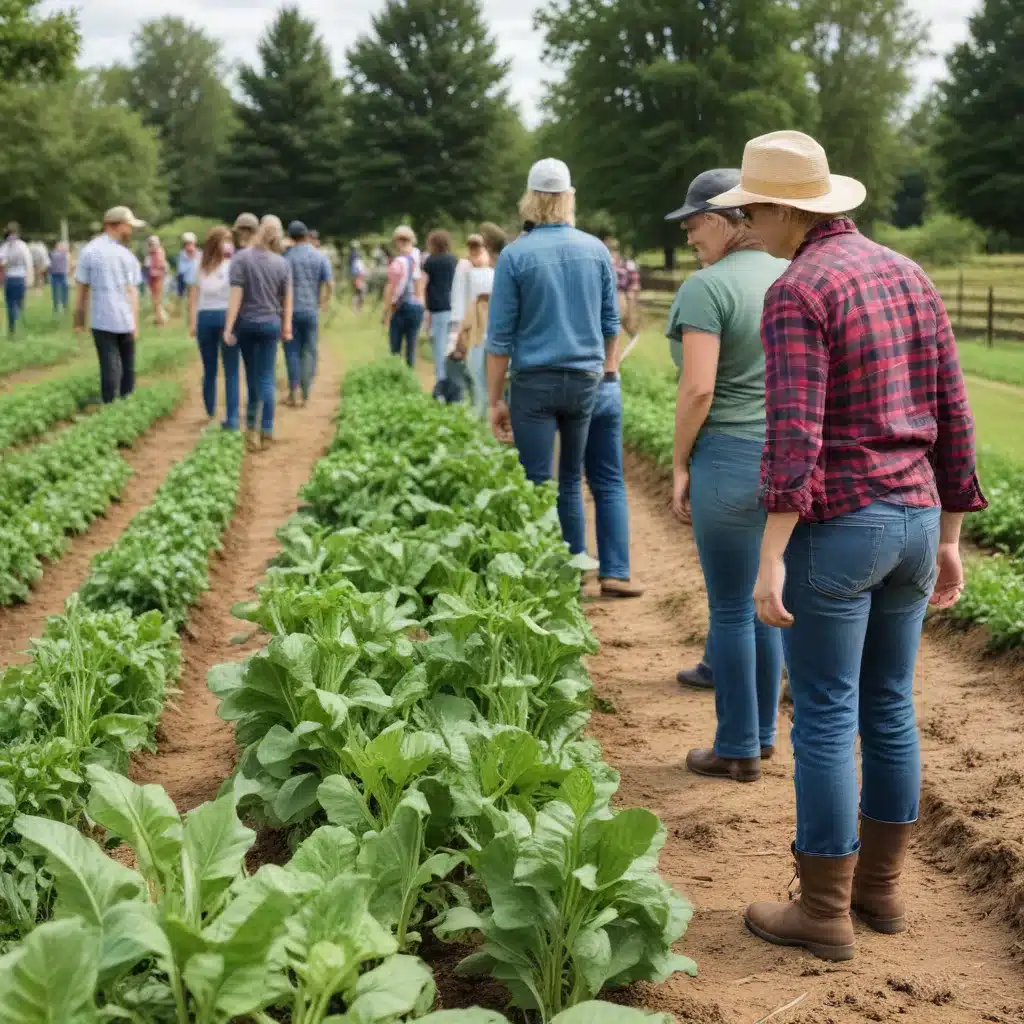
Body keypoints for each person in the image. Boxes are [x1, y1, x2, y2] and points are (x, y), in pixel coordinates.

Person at [704, 130, 987, 960]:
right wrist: (951, 534)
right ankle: (882, 896)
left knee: (825, 716)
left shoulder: (799, 292)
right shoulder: (908, 272)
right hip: (911, 519)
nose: (749, 225)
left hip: (840, 528)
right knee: (891, 706)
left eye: (752, 210)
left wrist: (767, 558)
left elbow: (795, 439)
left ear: (787, 209)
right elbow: (955, 413)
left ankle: (823, 912)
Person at [663, 168, 789, 784]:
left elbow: (698, 389)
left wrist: (680, 461)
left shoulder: (705, 289)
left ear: (721, 218)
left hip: (729, 457)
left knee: (734, 608)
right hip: (790, 459)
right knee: (768, 598)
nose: (688, 237)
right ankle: (763, 736)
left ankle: (736, 746)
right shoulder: (794, 275)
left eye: (692, 224)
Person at [487, 158, 619, 557]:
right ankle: (575, 566)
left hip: (534, 381)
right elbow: (610, 323)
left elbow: (499, 340)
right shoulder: (596, 251)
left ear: (530, 200)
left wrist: (495, 400)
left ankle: (542, 568)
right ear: (568, 199)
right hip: (583, 381)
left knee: (537, 482)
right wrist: (606, 369)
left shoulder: (515, 256)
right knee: (569, 481)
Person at [225, 215, 292, 451]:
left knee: (252, 378)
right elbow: (287, 299)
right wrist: (287, 326)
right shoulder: (282, 263)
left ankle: (251, 431)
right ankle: (267, 429)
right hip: (271, 324)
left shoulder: (241, 259)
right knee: (267, 378)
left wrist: (228, 326)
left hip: (247, 324)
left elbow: (236, 296)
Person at [74, 206, 145, 403]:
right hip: (125, 316)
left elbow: (81, 291)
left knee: (109, 363)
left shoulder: (89, 251)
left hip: (101, 318)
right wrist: (136, 323)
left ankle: (110, 404)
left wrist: (78, 320)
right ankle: (126, 401)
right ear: (116, 225)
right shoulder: (126, 256)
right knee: (127, 365)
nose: (130, 231)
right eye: (128, 226)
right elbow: (133, 292)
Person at [190, 225, 235, 427]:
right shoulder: (229, 265)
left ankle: (220, 413)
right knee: (222, 368)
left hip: (213, 317)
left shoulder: (202, 265)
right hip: (218, 317)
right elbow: (193, 297)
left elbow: (193, 298)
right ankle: (221, 412)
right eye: (226, 240)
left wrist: (193, 321)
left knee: (219, 369)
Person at [284, 220, 333, 406]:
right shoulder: (319, 256)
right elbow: (329, 284)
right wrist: (324, 301)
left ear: (290, 237)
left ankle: (293, 390)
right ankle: (306, 391)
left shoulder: (286, 257)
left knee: (292, 351)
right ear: (306, 235)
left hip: (289, 311)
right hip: (311, 309)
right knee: (309, 351)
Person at [447, 234, 493, 410]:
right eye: (472, 248)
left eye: (478, 247)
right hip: (471, 329)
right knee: (473, 372)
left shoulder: (490, 273)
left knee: (479, 373)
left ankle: (480, 410)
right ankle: (478, 408)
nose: (475, 251)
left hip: (484, 330)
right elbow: (458, 301)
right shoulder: (464, 270)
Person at [383, 225, 425, 367]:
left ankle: (396, 376)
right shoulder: (418, 257)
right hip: (416, 305)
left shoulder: (399, 262)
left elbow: (394, 287)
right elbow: (420, 282)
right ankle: (410, 377)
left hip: (401, 305)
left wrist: (389, 309)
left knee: (395, 347)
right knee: (411, 347)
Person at [423, 231, 458, 391]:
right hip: (454, 307)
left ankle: (441, 382)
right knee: (451, 345)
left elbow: (425, 284)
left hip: (437, 308)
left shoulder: (430, 261)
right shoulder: (453, 260)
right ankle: (453, 381)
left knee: (439, 346)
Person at [0, 224, 34, 336]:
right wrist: (29, 278)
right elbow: (28, 262)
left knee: (12, 305)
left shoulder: (5, 246)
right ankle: (17, 328)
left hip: (11, 278)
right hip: (17, 278)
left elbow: (2, 262)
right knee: (17, 304)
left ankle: (13, 329)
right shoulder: (22, 246)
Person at [144, 235, 168, 326]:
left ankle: (160, 319)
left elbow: (161, 265)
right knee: (155, 299)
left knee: (157, 299)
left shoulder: (159, 252)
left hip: (158, 276)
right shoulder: (150, 253)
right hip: (152, 276)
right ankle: (159, 318)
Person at [175, 232, 200, 315]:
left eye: (190, 243)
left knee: (196, 303)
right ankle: (191, 322)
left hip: (199, 282)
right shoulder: (182, 255)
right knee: (190, 303)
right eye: (186, 243)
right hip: (188, 283)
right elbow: (181, 271)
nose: (188, 246)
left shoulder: (200, 254)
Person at [49, 240, 71, 315]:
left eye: (62, 246)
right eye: (60, 246)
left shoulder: (65, 254)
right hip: (55, 275)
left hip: (63, 275)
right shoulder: (53, 253)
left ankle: (65, 306)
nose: (62, 247)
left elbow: (68, 261)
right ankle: (56, 307)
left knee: (64, 291)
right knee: (55, 292)